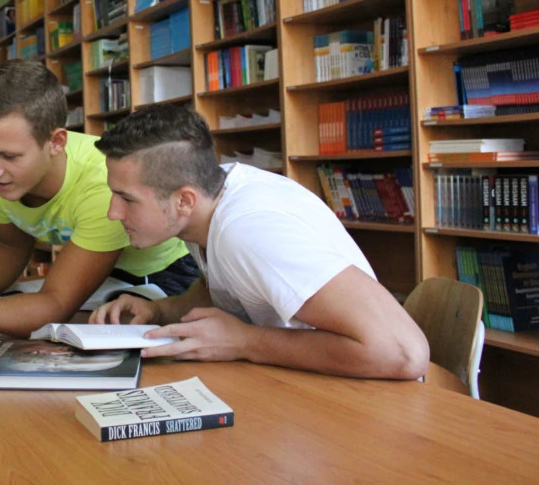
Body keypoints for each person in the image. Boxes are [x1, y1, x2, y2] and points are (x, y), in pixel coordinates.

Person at [0, 60, 195, 355]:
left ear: (56, 143)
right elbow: (9, 246)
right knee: (9, 314)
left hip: (158, 278)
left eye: (9, 156)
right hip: (101, 276)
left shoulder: (102, 184)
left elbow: (56, 304)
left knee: (73, 339)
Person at [89, 104, 429, 380]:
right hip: (300, 383)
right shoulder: (207, 202)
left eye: (127, 198)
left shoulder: (249, 231)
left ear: (184, 200)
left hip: (368, 398)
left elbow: (402, 353)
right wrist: (160, 310)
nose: (112, 213)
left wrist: (245, 342)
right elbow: (227, 290)